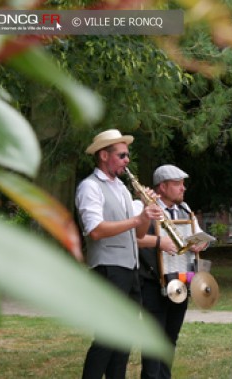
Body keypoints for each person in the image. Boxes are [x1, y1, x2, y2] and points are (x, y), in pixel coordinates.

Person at [75, 129, 163, 379]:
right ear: (104, 155)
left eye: (128, 156)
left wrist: (146, 209)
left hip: (129, 269)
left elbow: (137, 235)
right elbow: (94, 230)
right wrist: (137, 217)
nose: (127, 161)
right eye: (122, 155)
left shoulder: (123, 190)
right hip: (107, 269)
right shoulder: (90, 187)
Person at [136, 164, 209, 379]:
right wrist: (160, 242)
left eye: (183, 184)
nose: (182, 188)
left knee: (169, 338)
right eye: (177, 184)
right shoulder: (146, 208)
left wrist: (200, 244)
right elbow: (134, 238)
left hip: (181, 282)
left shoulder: (185, 210)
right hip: (153, 282)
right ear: (162, 187)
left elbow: (201, 235)